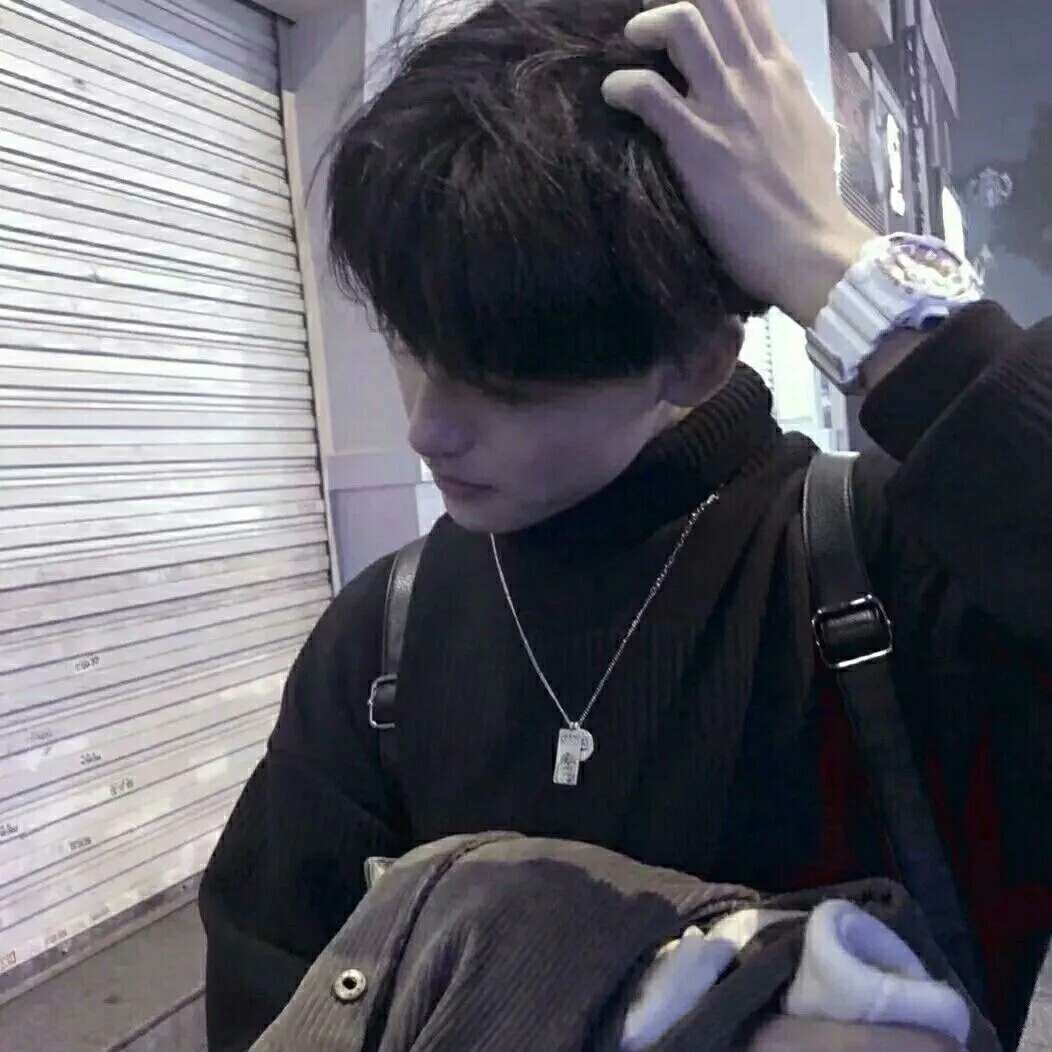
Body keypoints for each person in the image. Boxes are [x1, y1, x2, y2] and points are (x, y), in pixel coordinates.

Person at [198, 0, 1052, 1048]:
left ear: (695, 357)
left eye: (506, 385)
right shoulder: (382, 638)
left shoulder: (900, 573)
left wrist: (831, 260)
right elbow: (269, 1002)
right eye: (409, 341)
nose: (427, 426)